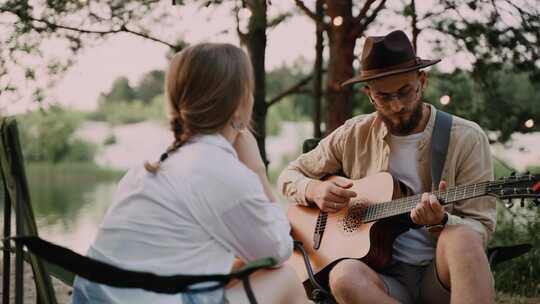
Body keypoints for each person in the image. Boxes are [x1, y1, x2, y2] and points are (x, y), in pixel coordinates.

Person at [71, 43, 306, 304]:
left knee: (237, 269)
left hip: (94, 296)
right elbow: (277, 250)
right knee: (285, 278)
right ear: (239, 103)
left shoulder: (153, 159)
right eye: (249, 89)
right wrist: (257, 170)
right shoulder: (223, 171)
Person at [278, 30, 496, 304]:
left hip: (440, 275)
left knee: (463, 238)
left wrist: (442, 222)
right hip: (383, 277)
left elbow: (481, 227)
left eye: (406, 92)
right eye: (384, 96)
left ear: (422, 81)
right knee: (344, 276)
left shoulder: (465, 138)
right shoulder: (353, 134)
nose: (397, 105)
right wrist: (314, 189)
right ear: (368, 94)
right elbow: (289, 176)